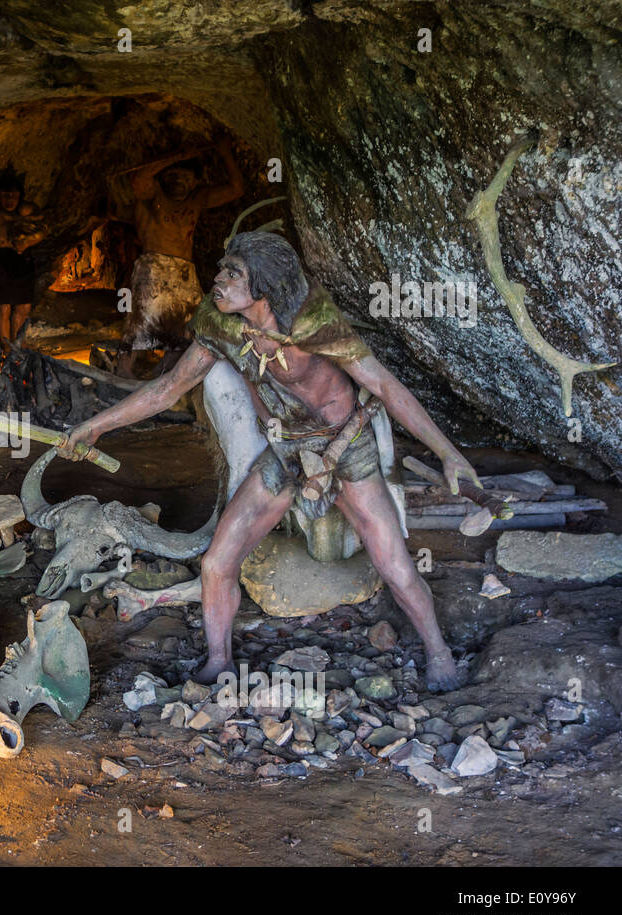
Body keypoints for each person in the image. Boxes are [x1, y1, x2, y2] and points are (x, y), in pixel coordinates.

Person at [60, 231, 476, 692]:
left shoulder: (313, 319)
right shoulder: (221, 323)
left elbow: (386, 387)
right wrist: (96, 425)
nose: (217, 280)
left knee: (394, 565)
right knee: (217, 562)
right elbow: (167, 389)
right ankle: (219, 661)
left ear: (264, 288)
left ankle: (439, 653)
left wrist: (449, 454)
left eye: (232, 273)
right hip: (285, 452)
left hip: (344, 449)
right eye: (222, 269)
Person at [111, 139, 244, 377]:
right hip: (154, 268)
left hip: (185, 271)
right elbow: (139, 180)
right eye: (173, 176)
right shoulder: (153, 195)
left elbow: (236, 189)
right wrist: (178, 155)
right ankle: (123, 373)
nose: (179, 181)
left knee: (191, 325)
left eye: (185, 177)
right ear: (163, 178)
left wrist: (225, 153)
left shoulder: (197, 199)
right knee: (142, 322)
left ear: (195, 181)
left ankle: (165, 375)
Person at [0, 167, 43, 349]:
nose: (9, 200)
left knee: (23, 308)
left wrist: (28, 240)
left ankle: (18, 346)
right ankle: (7, 348)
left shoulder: (25, 211)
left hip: (22, 262)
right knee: (3, 308)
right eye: (5, 196)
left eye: (13, 196)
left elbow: (43, 225)